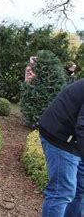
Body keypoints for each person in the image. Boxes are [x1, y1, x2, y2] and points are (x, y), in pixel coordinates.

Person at [38, 79, 84, 217]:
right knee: (62, 191)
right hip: (60, 135)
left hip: (75, 137)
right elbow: (82, 127)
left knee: (81, 188)